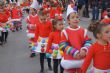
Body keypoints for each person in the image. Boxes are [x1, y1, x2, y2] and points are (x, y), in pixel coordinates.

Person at [59, 6, 92, 73]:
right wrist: (74, 52)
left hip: (81, 58)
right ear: (68, 20)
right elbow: (63, 45)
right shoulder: (65, 32)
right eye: (73, 17)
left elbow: (88, 42)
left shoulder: (83, 31)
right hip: (69, 60)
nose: (76, 19)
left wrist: (84, 49)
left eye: (77, 17)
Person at [34, 8, 52, 73]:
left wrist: (51, 39)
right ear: (39, 18)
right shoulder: (38, 24)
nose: (43, 20)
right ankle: (42, 68)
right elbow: (36, 33)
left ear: (46, 17)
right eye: (41, 19)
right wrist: (35, 41)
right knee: (41, 55)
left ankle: (49, 65)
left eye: (44, 19)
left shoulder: (49, 23)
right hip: (41, 40)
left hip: (48, 40)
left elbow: (52, 31)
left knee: (48, 54)